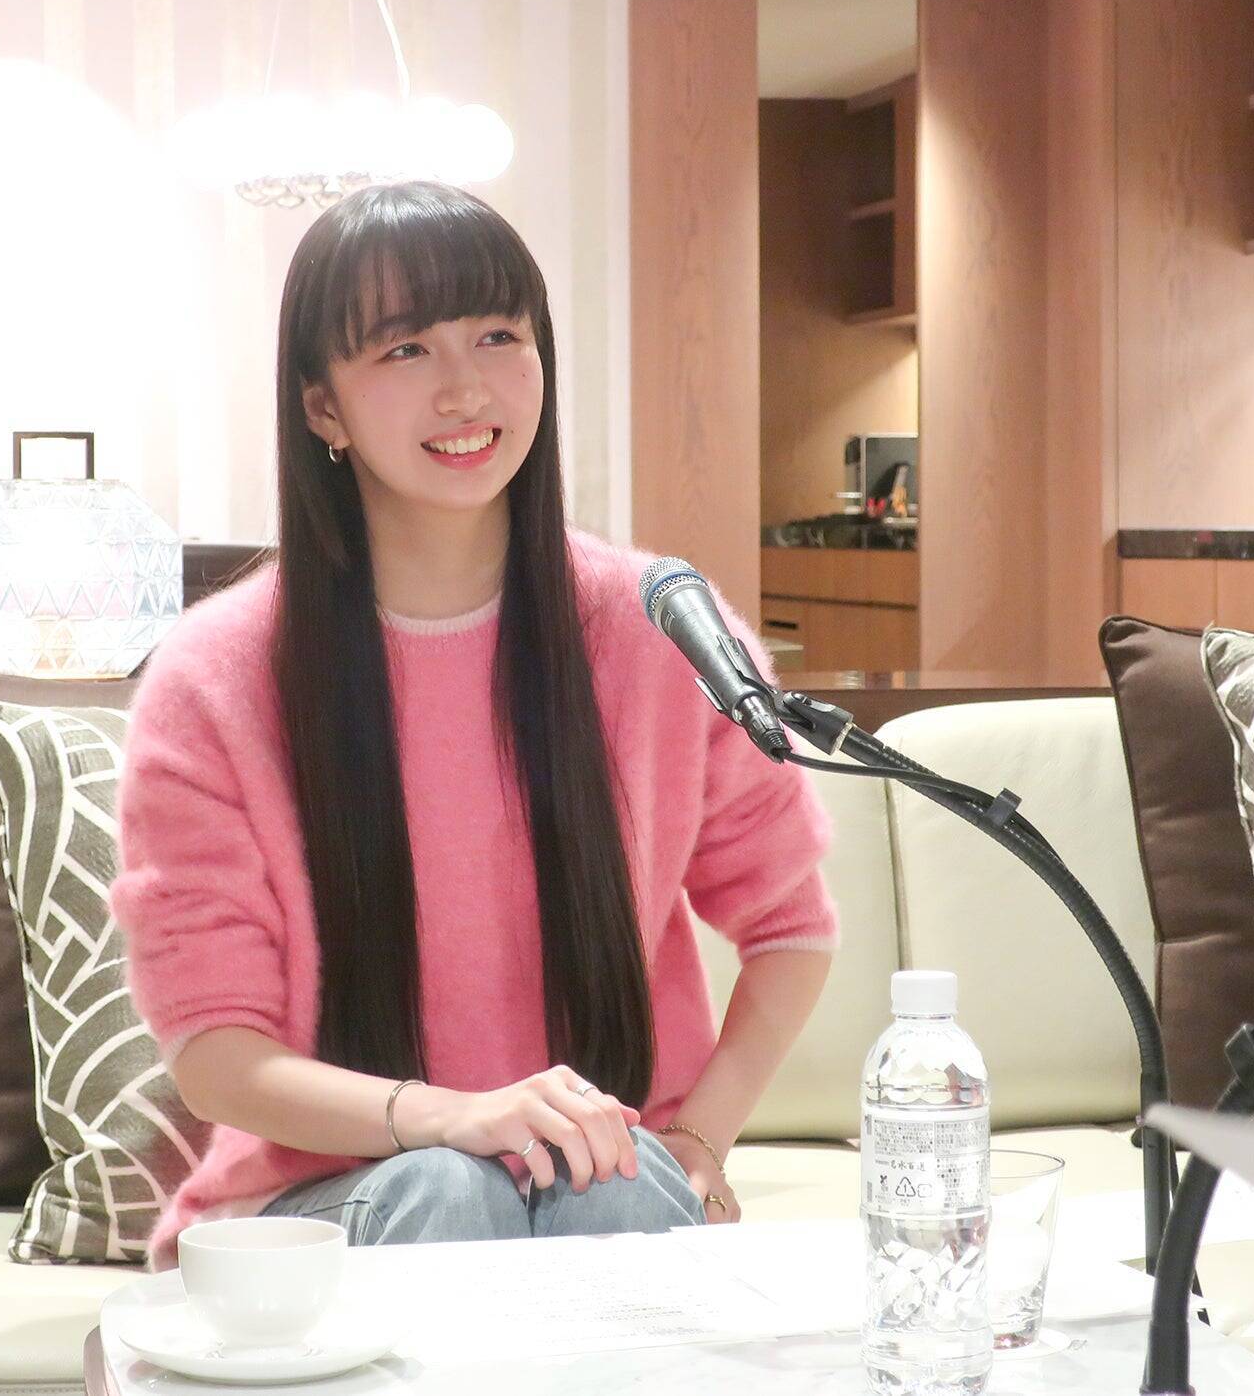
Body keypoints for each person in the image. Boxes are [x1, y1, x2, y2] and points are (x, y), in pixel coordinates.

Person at [109, 180, 837, 1272]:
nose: (464, 389)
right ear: (323, 409)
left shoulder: (655, 627)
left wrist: (697, 1141)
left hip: (599, 1183)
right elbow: (215, 1055)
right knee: (449, 1191)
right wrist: (452, 1119)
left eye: (499, 336)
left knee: (614, 1182)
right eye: (405, 350)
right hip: (320, 1204)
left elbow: (792, 927)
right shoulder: (215, 677)